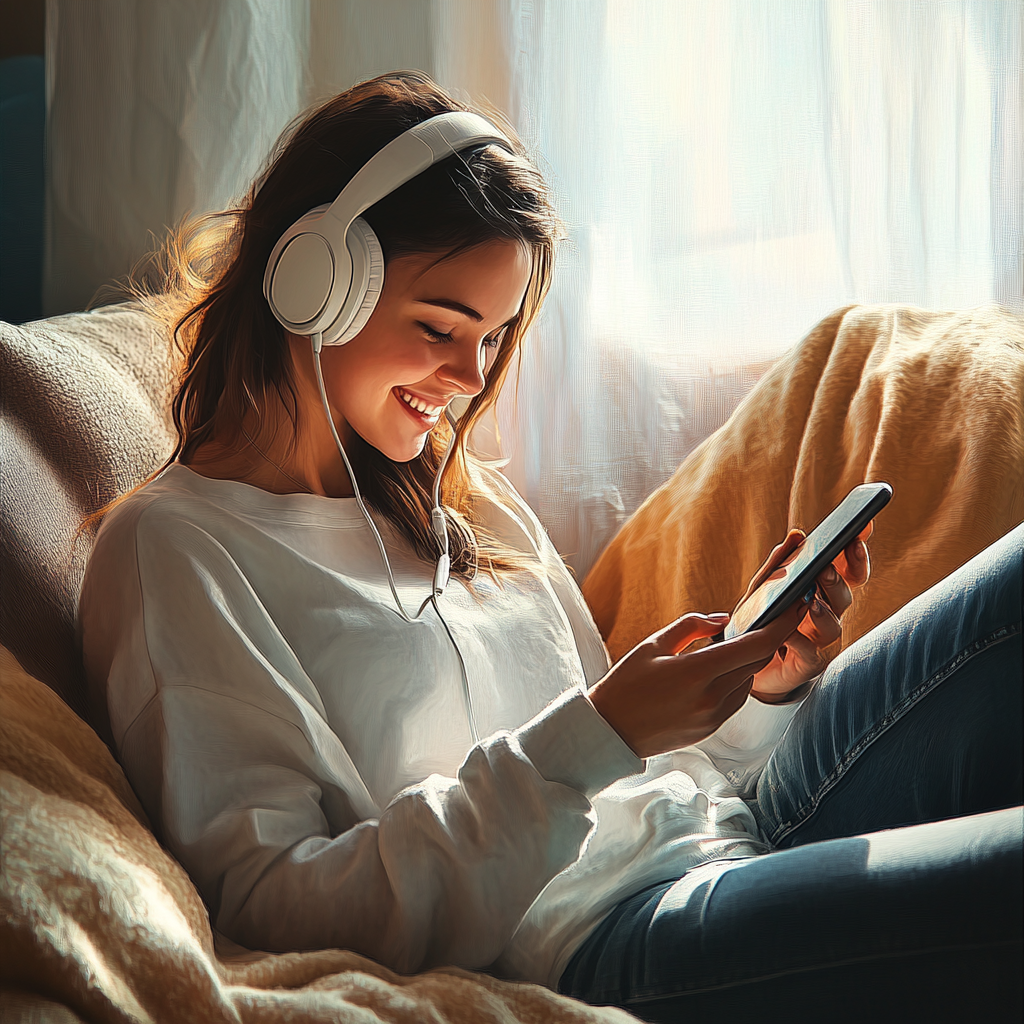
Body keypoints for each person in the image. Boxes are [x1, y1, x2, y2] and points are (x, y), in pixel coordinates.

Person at [79, 72, 1022, 1021]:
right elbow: (276, 901)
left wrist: (758, 690)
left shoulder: (460, 500)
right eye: (441, 327)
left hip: (734, 821)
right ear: (315, 278)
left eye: (490, 337)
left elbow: (650, 775)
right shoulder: (176, 551)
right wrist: (602, 731)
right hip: (613, 934)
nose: (466, 375)